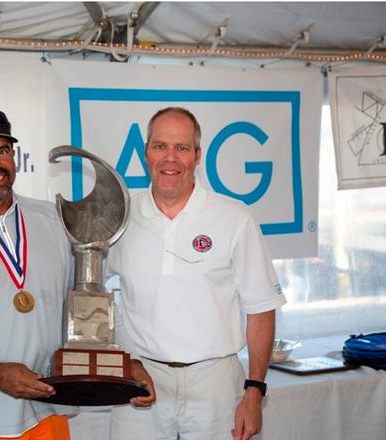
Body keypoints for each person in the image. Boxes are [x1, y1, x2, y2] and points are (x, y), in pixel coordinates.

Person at [0, 108, 154, 440]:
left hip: (49, 411)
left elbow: (86, 303)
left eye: (3, 150)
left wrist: (120, 361)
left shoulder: (53, 221)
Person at [106, 107, 286, 440]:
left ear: (198, 155)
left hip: (216, 383)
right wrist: (124, 359)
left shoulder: (234, 218)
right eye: (160, 146)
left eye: (182, 148)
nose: (169, 158)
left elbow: (260, 308)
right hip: (141, 380)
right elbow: (93, 296)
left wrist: (255, 390)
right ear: (145, 153)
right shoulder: (121, 217)